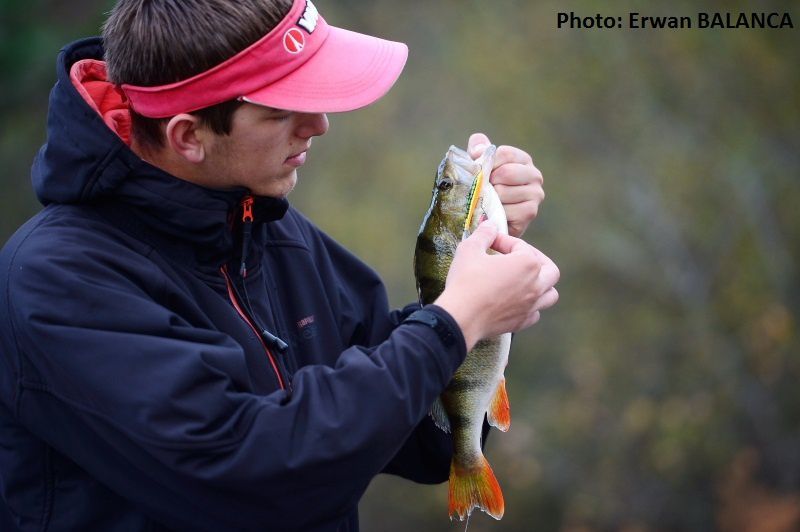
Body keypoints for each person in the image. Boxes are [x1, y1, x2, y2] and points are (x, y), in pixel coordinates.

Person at [0, 0, 559, 530]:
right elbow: (254, 481)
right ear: (189, 135)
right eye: (282, 110)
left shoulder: (267, 228)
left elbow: (420, 437)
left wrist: (478, 268)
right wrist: (455, 322)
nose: (319, 124)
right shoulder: (58, 280)